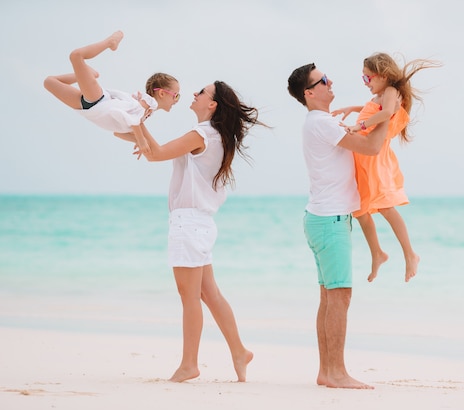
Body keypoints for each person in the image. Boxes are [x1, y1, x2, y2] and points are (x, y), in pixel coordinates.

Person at [123, 81, 263, 383]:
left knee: (190, 296)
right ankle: (239, 351)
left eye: (201, 92)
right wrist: (138, 127)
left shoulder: (201, 135)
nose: (195, 95)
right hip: (199, 223)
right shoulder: (213, 136)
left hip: (189, 223)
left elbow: (156, 153)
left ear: (212, 105)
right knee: (208, 293)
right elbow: (154, 151)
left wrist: (137, 120)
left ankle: (190, 364)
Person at [288, 63, 390, 389]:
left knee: (329, 297)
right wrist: (391, 113)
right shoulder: (321, 123)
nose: (331, 84)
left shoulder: (320, 122)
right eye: (324, 81)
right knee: (340, 297)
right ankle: (336, 372)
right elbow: (372, 147)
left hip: (322, 219)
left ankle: (326, 371)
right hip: (330, 221)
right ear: (309, 92)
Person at [332, 53, 441, 282]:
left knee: (385, 207)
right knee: (360, 210)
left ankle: (410, 254)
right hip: (361, 157)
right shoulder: (382, 94)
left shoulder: (391, 92)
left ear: (382, 75)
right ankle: (378, 254)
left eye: (367, 78)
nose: (366, 83)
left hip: (374, 158)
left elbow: (386, 113)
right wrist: (352, 108)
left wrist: (357, 125)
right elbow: (374, 107)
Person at [43, 31, 179, 154]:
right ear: (162, 93)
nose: (176, 100)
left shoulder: (146, 113)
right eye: (176, 95)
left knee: (48, 82)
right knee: (76, 56)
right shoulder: (150, 103)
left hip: (87, 107)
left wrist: (137, 140)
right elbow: (134, 116)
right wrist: (141, 140)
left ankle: (88, 73)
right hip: (98, 100)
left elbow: (118, 133)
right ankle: (110, 42)